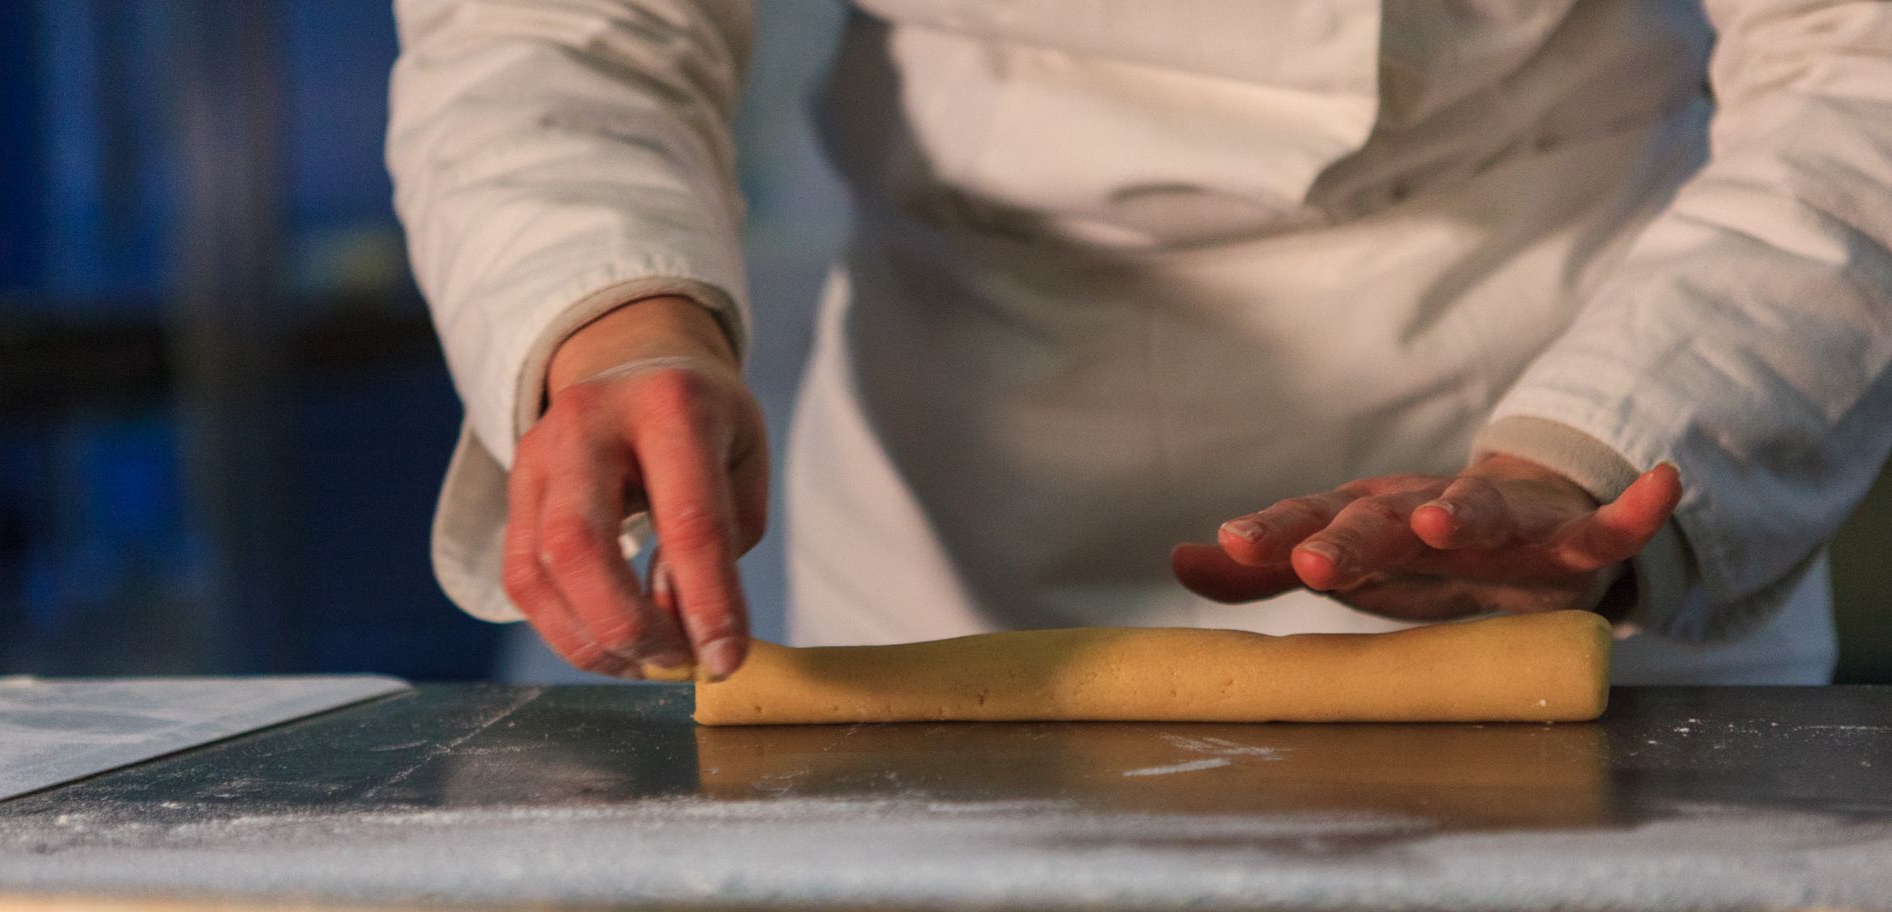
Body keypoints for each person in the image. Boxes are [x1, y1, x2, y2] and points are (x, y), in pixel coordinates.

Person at [389, 0, 1892, 685]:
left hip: (1565, 412)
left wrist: (1596, 448)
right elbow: (551, 24)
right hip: (961, 505)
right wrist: (609, 311)